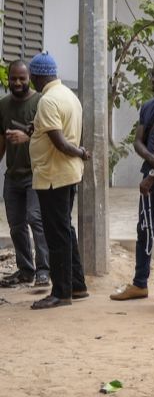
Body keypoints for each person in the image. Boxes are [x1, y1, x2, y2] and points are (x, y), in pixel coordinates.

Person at [25, 52, 89, 310]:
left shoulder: (48, 100)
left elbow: (61, 143)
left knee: (56, 234)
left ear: (37, 76)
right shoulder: (69, 96)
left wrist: (81, 152)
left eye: (31, 77)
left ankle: (61, 293)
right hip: (66, 172)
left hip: (54, 174)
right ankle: (77, 285)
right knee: (65, 228)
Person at [110, 59, 154, 301]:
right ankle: (140, 283)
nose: (153, 80)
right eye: (152, 75)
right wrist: (152, 161)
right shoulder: (148, 106)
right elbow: (138, 141)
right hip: (151, 176)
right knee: (145, 228)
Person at [0, 61, 49, 288]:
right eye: (13, 78)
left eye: (22, 78)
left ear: (29, 77)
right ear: (8, 79)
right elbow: (1, 139)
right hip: (12, 176)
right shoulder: (3, 105)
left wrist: (26, 137)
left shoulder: (40, 102)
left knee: (35, 219)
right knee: (16, 225)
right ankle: (25, 270)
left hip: (35, 173)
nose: (17, 82)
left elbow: (49, 135)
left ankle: (43, 270)